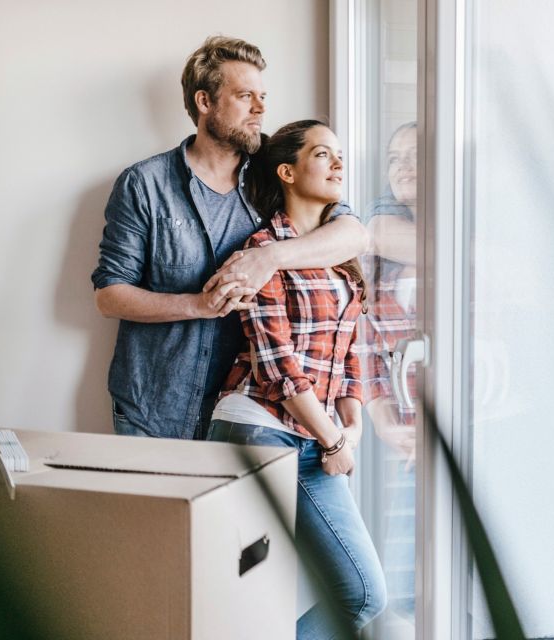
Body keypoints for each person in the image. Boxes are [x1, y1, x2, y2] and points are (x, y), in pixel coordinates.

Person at [90, 36, 368, 440]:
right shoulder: (144, 184)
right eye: (245, 96)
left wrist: (268, 258)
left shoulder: (273, 174)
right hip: (151, 407)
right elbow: (109, 296)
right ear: (205, 102)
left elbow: (354, 235)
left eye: (262, 96)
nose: (261, 108)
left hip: (246, 415)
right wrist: (198, 305)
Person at [207, 120, 387, 639]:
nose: (338, 164)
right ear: (287, 171)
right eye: (322, 154)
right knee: (254, 593)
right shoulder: (258, 254)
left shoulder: (338, 252)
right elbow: (277, 365)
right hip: (256, 429)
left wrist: (350, 418)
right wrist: (332, 438)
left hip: (312, 434)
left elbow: (350, 346)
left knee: (359, 593)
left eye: (339, 155)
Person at [361, 121, 418, 626]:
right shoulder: (383, 248)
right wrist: (383, 420)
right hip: (403, 439)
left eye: (417, 154)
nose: (403, 166)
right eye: (395, 157)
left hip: (470, 432)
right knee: (399, 591)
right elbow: (369, 348)